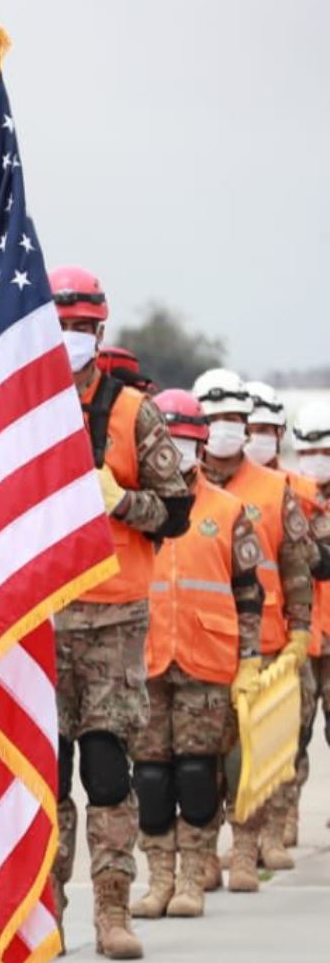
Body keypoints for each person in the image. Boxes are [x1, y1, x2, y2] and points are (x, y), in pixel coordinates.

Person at [44, 265, 192, 959]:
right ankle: (45, 913)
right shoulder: (16, 408)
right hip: (39, 619)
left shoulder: (135, 412)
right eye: (58, 324)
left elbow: (179, 512)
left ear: (99, 331)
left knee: (105, 771)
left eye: (81, 327)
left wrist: (123, 501)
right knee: (43, 771)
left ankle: (111, 911)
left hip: (112, 619)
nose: (70, 337)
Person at [130, 390, 262, 920]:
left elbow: (249, 593)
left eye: (184, 441)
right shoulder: (136, 506)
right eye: (167, 440)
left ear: (201, 445)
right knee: (151, 777)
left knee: (196, 774)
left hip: (207, 663)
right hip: (145, 661)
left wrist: (249, 660)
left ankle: (191, 878)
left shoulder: (228, 512)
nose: (175, 452)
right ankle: (158, 878)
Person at [194, 368, 314, 883]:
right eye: (214, 419)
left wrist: (300, 630)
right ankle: (200, 855)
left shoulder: (274, 488)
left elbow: (295, 566)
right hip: (196, 648)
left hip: (260, 644)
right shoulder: (179, 489)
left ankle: (245, 849)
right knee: (198, 760)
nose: (224, 428)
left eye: (233, 420)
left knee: (250, 757)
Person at [246, 379, 320, 853]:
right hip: (272, 632)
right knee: (278, 733)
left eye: (267, 429)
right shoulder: (218, 491)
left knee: (299, 728)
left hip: (301, 628)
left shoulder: (298, 490)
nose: (257, 437)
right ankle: (273, 821)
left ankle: (282, 816)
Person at [290, 396, 330, 837]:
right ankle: (286, 817)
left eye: (324, 452)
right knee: (293, 731)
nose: (315, 462)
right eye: (308, 452)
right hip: (300, 632)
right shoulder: (289, 496)